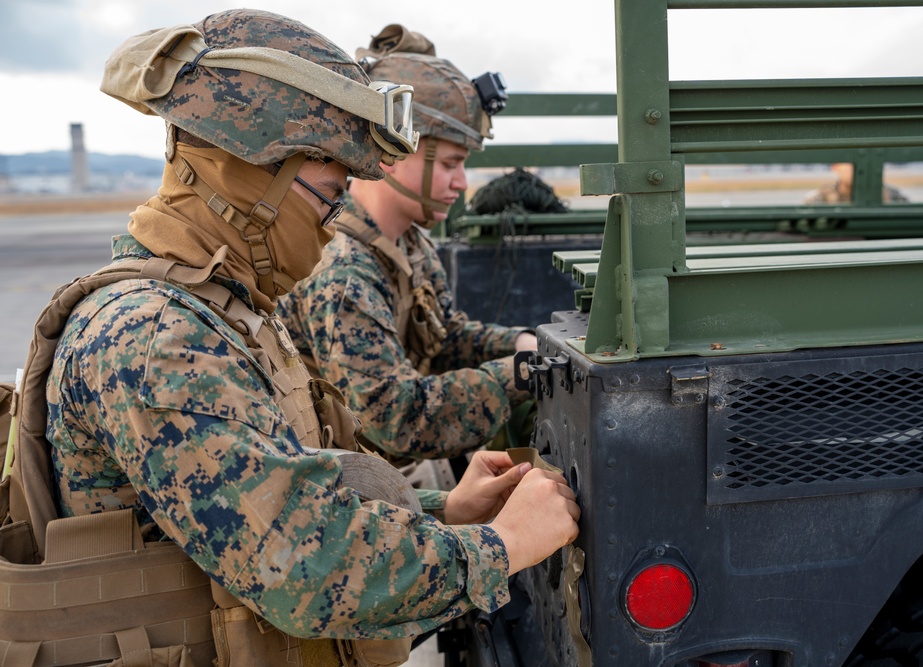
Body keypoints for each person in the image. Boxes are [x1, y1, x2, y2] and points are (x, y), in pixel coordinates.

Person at [41, 9, 578, 657]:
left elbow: (283, 494)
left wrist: (442, 511)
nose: (332, 224)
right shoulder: (160, 338)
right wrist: (502, 545)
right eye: (327, 195)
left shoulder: (216, 312)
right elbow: (303, 563)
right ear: (247, 173)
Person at [277, 26, 537, 468]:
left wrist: (525, 342)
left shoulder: (406, 242)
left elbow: (446, 336)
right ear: (393, 152)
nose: (461, 182)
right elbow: (395, 420)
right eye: (451, 164)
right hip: (350, 480)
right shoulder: (344, 269)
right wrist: (522, 372)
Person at [803, 162, 909, 204]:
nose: (858, 167)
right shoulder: (818, 199)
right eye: (850, 162)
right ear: (835, 166)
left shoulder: (893, 197)